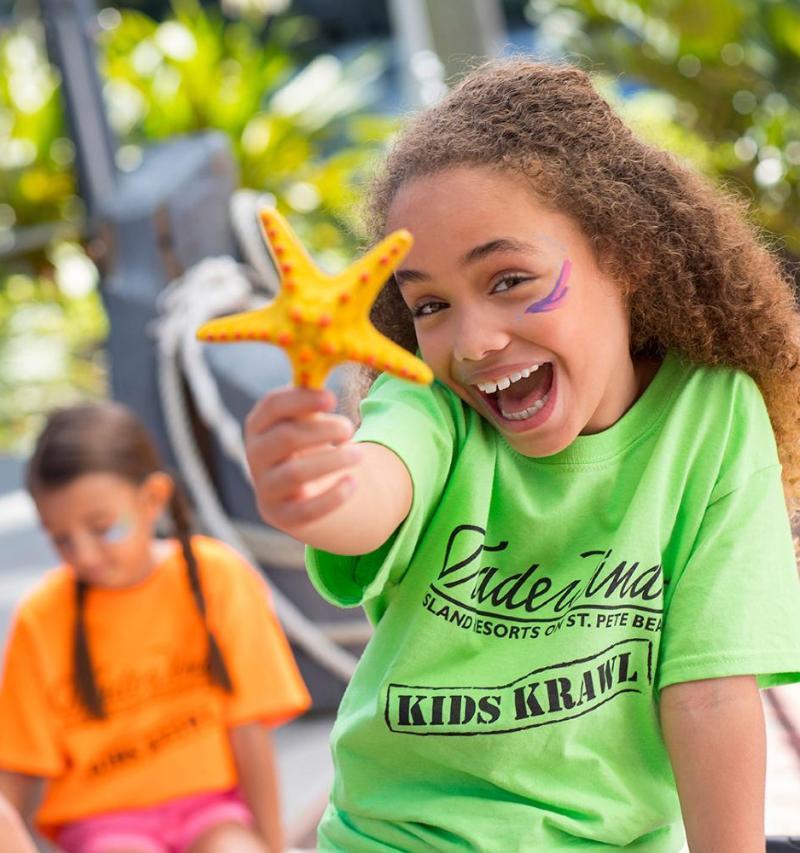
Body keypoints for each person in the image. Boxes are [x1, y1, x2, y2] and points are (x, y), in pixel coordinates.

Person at [244, 59, 800, 851]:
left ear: (625, 254)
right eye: (429, 303)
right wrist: (312, 484)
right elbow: (370, 491)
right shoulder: (428, 408)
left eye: (508, 278)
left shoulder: (710, 418)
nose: (472, 341)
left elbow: (710, 693)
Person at [0, 401, 311, 853]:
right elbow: (13, 770)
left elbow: (249, 733)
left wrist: (271, 845)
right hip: (105, 826)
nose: (84, 556)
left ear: (152, 499)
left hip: (212, 812)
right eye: (61, 539)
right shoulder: (41, 614)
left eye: (101, 528)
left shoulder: (218, 577)